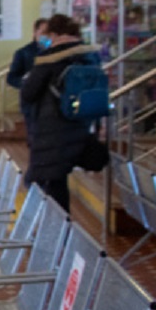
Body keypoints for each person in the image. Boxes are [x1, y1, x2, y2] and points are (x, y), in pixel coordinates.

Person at [20, 13, 102, 214]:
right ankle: (58, 233)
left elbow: (29, 92)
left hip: (52, 132)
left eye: (47, 35)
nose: (44, 39)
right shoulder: (89, 56)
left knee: (40, 182)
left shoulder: (52, 58)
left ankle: (57, 236)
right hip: (78, 128)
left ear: (56, 35)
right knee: (56, 183)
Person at [6, 17, 49, 144]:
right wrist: (25, 82)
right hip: (31, 104)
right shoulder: (24, 53)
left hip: (50, 104)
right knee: (34, 139)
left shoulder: (55, 52)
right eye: (43, 32)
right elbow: (11, 77)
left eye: (49, 33)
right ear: (35, 33)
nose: (46, 36)